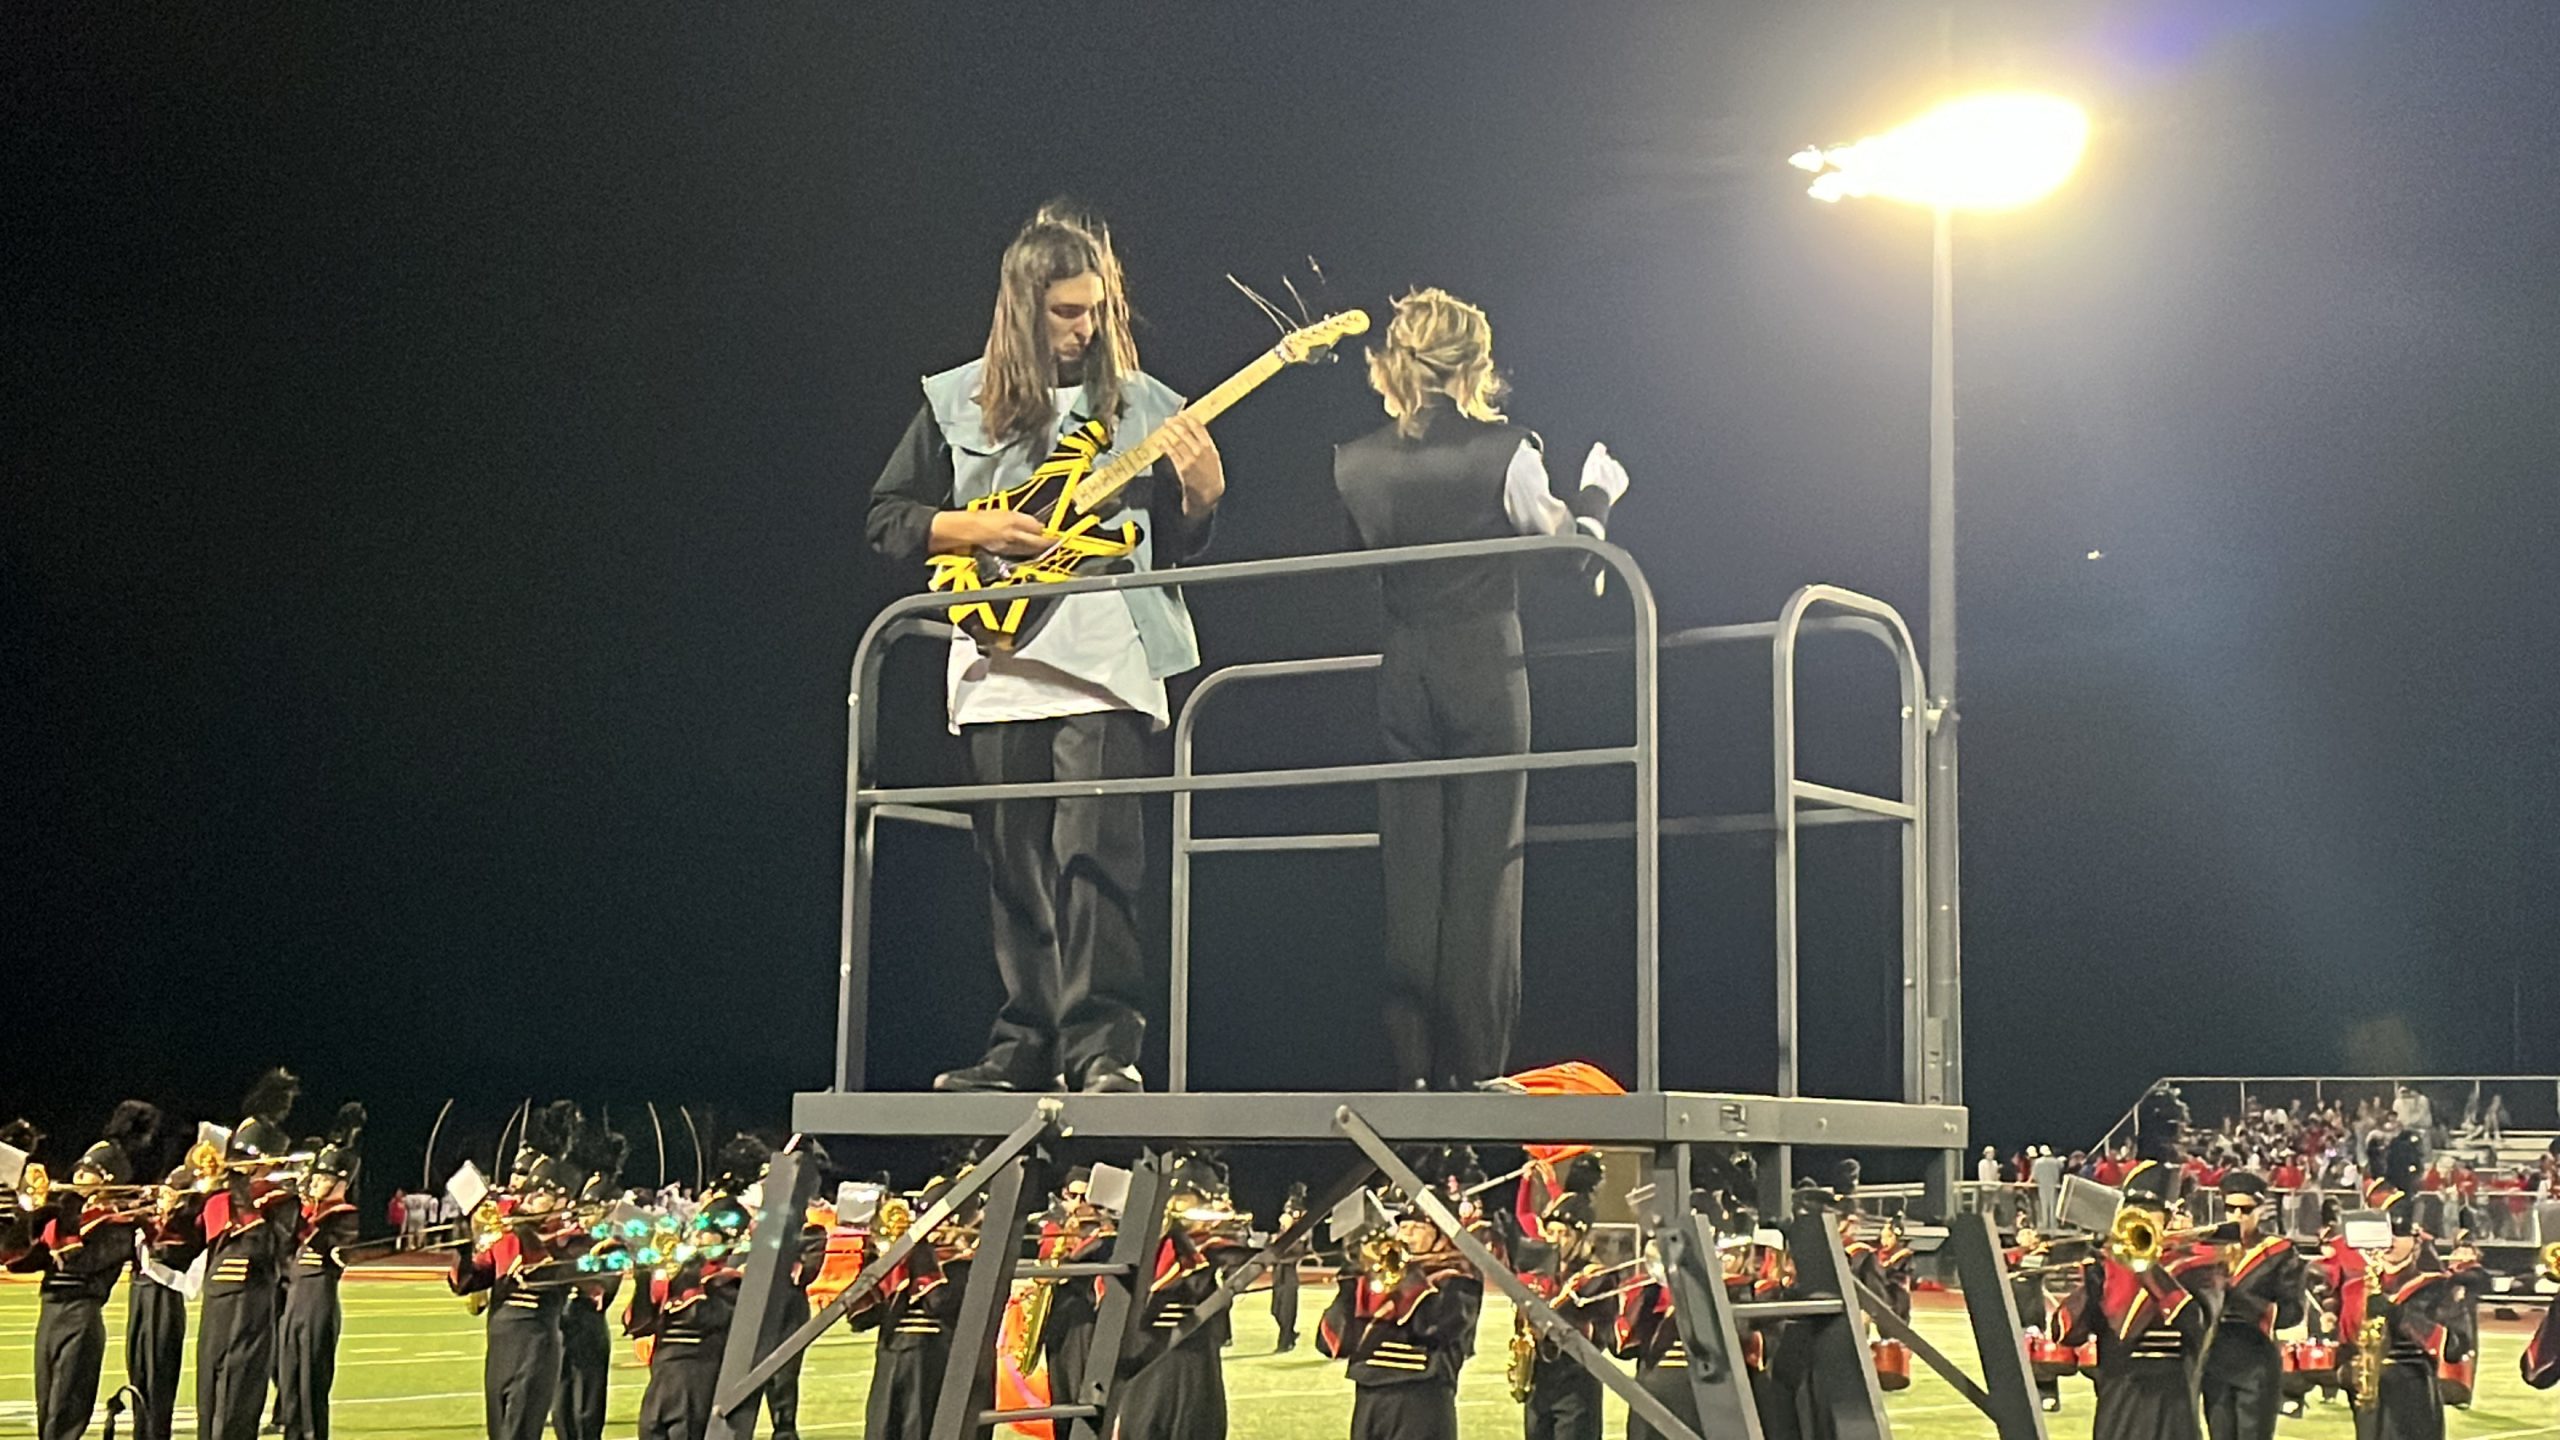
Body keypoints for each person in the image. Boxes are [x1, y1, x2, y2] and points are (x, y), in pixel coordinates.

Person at [866, 202, 1226, 1096]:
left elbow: (1174, 544)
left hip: (1104, 659)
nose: (1086, 328)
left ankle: (1102, 1049)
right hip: (994, 664)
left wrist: (1200, 499)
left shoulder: (1143, 406)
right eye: (1067, 311)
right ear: (1023, 309)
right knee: (1013, 862)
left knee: (1096, 858)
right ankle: (1022, 1042)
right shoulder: (955, 400)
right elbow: (887, 519)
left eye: (1096, 309)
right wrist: (975, 524)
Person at [1331, 287, 1629, 1089]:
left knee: (1412, 872)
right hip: (1484, 666)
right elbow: (1574, 555)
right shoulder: (1509, 451)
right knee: (1485, 874)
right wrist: (1599, 495)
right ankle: (1474, 1073)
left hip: (1402, 668)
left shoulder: (1353, 461)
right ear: (1476, 368)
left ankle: (1413, 1072)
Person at [15, 1104, 159, 1440]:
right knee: (46, 1406)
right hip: (49, 1313)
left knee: (66, 1412)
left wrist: (62, 1215)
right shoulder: (65, 1216)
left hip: (82, 1316)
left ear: (107, 1181)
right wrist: (27, 1215)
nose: (77, 1177)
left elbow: (79, 1261)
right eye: (79, 1170)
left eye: (87, 1172)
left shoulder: (118, 1227)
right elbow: (19, 1258)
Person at [1317, 1194, 1485, 1440]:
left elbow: (1433, 1328)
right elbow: (1329, 1343)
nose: (1406, 1235)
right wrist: (1352, 1285)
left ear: (1440, 1233)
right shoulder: (1380, 1274)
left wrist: (1405, 1277)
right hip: (1369, 1393)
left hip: (1421, 1396)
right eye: (1403, 1227)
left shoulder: (1459, 1275)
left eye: (1418, 1227)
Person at [199, 1071, 306, 1440]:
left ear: (265, 1159)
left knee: (237, 1394)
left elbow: (268, 1247)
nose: (235, 1165)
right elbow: (190, 1241)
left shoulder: (282, 1199)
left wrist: (242, 1191)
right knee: (209, 1396)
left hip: (251, 1297)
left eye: (244, 1158)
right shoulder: (223, 1197)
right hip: (216, 1299)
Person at [279, 1104, 365, 1440]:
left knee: (312, 1384)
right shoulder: (305, 1209)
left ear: (340, 1181)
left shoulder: (345, 1215)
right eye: (315, 1176)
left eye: (323, 1177)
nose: (315, 1183)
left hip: (319, 1303)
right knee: (290, 1381)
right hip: (295, 1303)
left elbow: (321, 1241)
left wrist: (299, 1206)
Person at [2201, 1172, 2305, 1440]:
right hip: (2215, 1358)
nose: (2237, 1216)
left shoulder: (2279, 1252)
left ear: (2260, 1211)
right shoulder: (2206, 1249)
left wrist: (2246, 1303)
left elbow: (2293, 1311)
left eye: (2246, 1209)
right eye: (2230, 1208)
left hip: (2256, 1361)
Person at [553, 1122, 627, 1440]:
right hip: (558, 1319)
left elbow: (605, 1289)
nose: (585, 1214)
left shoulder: (612, 1242)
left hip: (587, 1320)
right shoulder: (565, 1238)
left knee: (587, 1401)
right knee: (562, 1398)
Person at [130, 1152, 207, 1440]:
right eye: (165, 1188)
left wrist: (163, 1221)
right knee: (138, 1367)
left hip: (165, 1298)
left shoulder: (187, 1225)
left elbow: (170, 1252)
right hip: (139, 1295)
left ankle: (157, 1433)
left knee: (159, 1370)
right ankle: (141, 1432)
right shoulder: (149, 1218)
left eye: (173, 1190)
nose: (164, 1194)